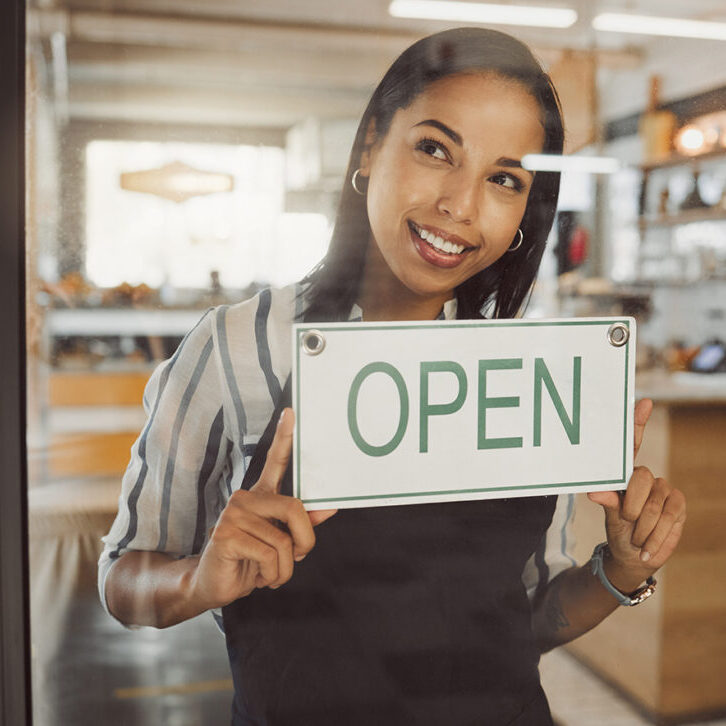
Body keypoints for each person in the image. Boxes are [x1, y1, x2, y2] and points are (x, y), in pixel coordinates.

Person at [99, 27, 686, 725]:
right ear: (374, 142)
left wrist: (621, 568)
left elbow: (525, 622)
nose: (461, 207)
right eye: (436, 149)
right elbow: (123, 579)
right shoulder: (235, 347)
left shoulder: (525, 378)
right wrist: (199, 580)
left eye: (504, 179)